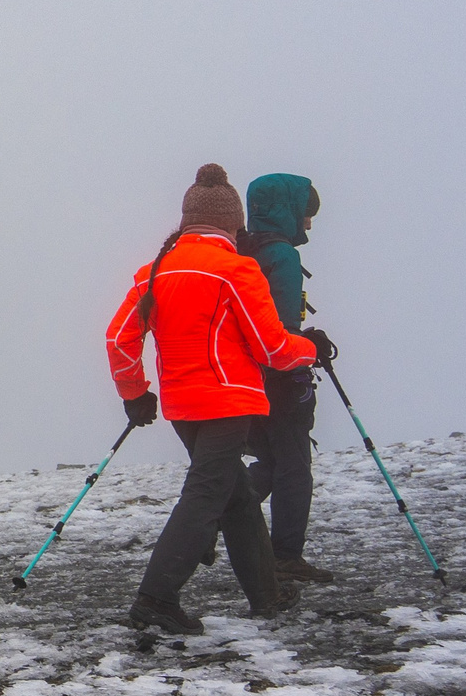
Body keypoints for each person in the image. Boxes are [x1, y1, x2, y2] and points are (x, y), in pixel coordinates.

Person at [104, 164, 331, 635]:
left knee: (237, 497)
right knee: (207, 495)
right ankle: (156, 598)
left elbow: (119, 339)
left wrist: (135, 394)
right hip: (228, 402)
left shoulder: (154, 272)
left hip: (181, 407)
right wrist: (312, 347)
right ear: (232, 223)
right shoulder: (236, 270)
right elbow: (272, 348)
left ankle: (266, 594)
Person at [245, 174, 334, 585]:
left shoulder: (243, 250)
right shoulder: (282, 256)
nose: (309, 223)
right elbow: (280, 329)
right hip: (279, 376)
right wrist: (306, 349)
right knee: (295, 467)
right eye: (306, 213)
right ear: (288, 211)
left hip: (245, 376)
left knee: (271, 461)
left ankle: (208, 519)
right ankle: (286, 555)